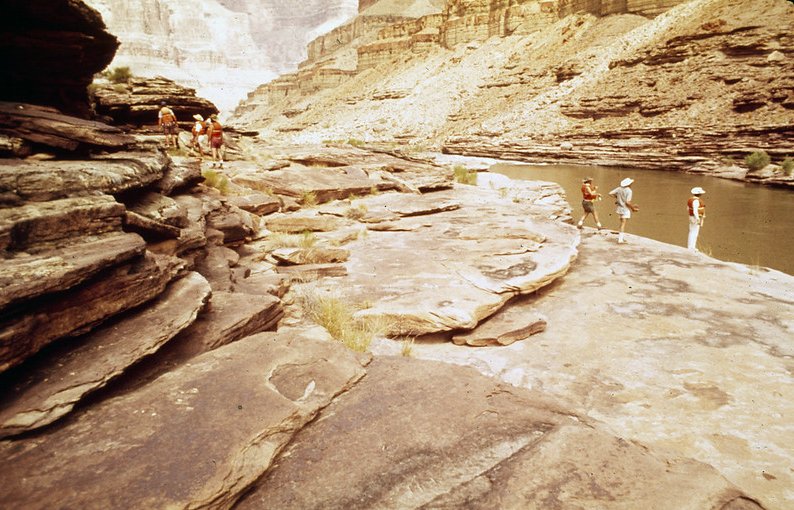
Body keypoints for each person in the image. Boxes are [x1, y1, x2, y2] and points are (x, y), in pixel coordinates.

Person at [609, 177, 639, 244]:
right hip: (625, 209)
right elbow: (628, 202)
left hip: (619, 208)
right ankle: (620, 240)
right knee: (623, 223)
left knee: (621, 222)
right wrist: (633, 208)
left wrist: (617, 198)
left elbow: (610, 193)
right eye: (631, 183)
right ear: (629, 184)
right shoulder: (629, 191)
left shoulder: (619, 188)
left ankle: (620, 238)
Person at [687, 186, 706, 251]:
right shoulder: (696, 201)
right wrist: (698, 218)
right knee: (695, 232)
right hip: (695, 217)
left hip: (691, 216)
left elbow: (687, 208)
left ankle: (690, 246)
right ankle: (692, 247)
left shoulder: (690, 199)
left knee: (691, 231)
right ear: (699, 194)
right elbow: (695, 210)